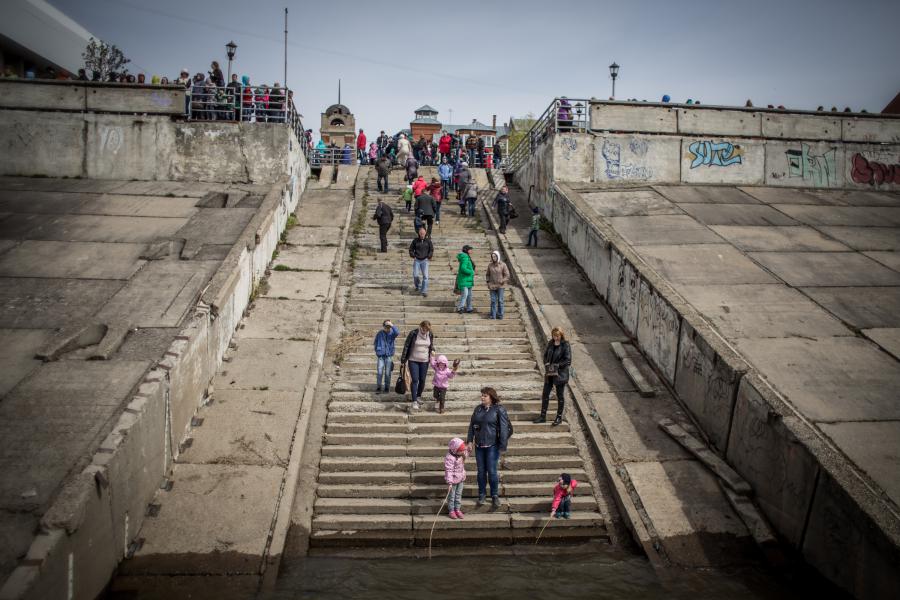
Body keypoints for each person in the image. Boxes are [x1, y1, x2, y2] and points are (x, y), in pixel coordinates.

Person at [466, 387, 512, 509]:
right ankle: (481, 494)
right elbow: (472, 426)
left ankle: (494, 495)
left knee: (492, 471)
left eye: (485, 396)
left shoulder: (499, 409)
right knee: (481, 471)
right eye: (482, 395)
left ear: (491, 397)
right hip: (479, 445)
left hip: (492, 445)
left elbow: (505, 428)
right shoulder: (478, 409)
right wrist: (469, 441)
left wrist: (502, 445)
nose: (482, 397)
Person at [534, 327, 572, 426]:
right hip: (550, 373)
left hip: (560, 374)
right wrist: (546, 363)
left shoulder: (565, 345)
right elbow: (545, 355)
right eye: (554, 336)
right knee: (545, 394)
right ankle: (543, 416)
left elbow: (568, 360)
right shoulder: (551, 343)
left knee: (560, 396)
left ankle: (559, 417)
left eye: (557, 336)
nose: (555, 338)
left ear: (561, 335)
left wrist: (557, 366)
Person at [400, 320, 435, 410]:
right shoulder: (413, 333)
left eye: (427, 330)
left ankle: (418, 396)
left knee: (422, 380)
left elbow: (431, 345)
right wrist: (403, 359)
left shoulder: (430, 334)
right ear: (420, 326)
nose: (425, 331)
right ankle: (414, 401)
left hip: (425, 361)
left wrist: (433, 350)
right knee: (415, 380)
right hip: (413, 360)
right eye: (424, 329)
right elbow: (407, 345)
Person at [444, 437, 468, 519]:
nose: (463, 452)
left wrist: (469, 447)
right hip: (453, 481)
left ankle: (457, 509)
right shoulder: (450, 458)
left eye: (463, 450)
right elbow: (449, 470)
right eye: (461, 451)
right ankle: (451, 510)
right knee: (452, 496)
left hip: (461, 479)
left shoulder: (461, 454)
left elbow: (466, 451)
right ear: (455, 450)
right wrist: (449, 482)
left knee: (458, 495)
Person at [374, 320, 400, 392]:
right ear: (383, 326)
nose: (387, 328)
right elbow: (375, 342)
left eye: (389, 327)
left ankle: (387, 387)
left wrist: (392, 325)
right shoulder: (380, 333)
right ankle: (379, 387)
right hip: (381, 356)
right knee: (379, 372)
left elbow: (397, 332)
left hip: (388, 356)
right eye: (386, 326)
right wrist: (377, 351)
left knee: (388, 373)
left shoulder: (392, 334)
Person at [409, 226, 433, 296]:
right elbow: (411, 249)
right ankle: (418, 286)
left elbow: (431, 250)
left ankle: (424, 291)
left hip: (425, 260)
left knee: (425, 276)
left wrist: (429, 256)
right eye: (421, 233)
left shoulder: (428, 241)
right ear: (419, 233)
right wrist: (413, 256)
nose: (422, 234)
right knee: (415, 275)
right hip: (417, 260)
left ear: (425, 233)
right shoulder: (415, 241)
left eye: (423, 233)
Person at [486, 251, 510, 320]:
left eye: (495, 256)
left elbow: (507, 275)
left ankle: (500, 315)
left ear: (498, 256)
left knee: (500, 300)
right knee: (493, 301)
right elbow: (487, 274)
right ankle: (493, 315)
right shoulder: (490, 265)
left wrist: (502, 280)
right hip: (492, 285)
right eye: (492, 257)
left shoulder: (503, 265)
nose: (493, 258)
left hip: (501, 286)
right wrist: (488, 282)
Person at [456, 245, 475, 313]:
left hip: (468, 280)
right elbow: (463, 268)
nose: (471, 250)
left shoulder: (467, 257)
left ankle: (469, 308)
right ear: (466, 250)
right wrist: (471, 272)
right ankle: (460, 308)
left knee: (469, 295)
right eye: (470, 249)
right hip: (464, 280)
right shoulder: (465, 257)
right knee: (465, 295)